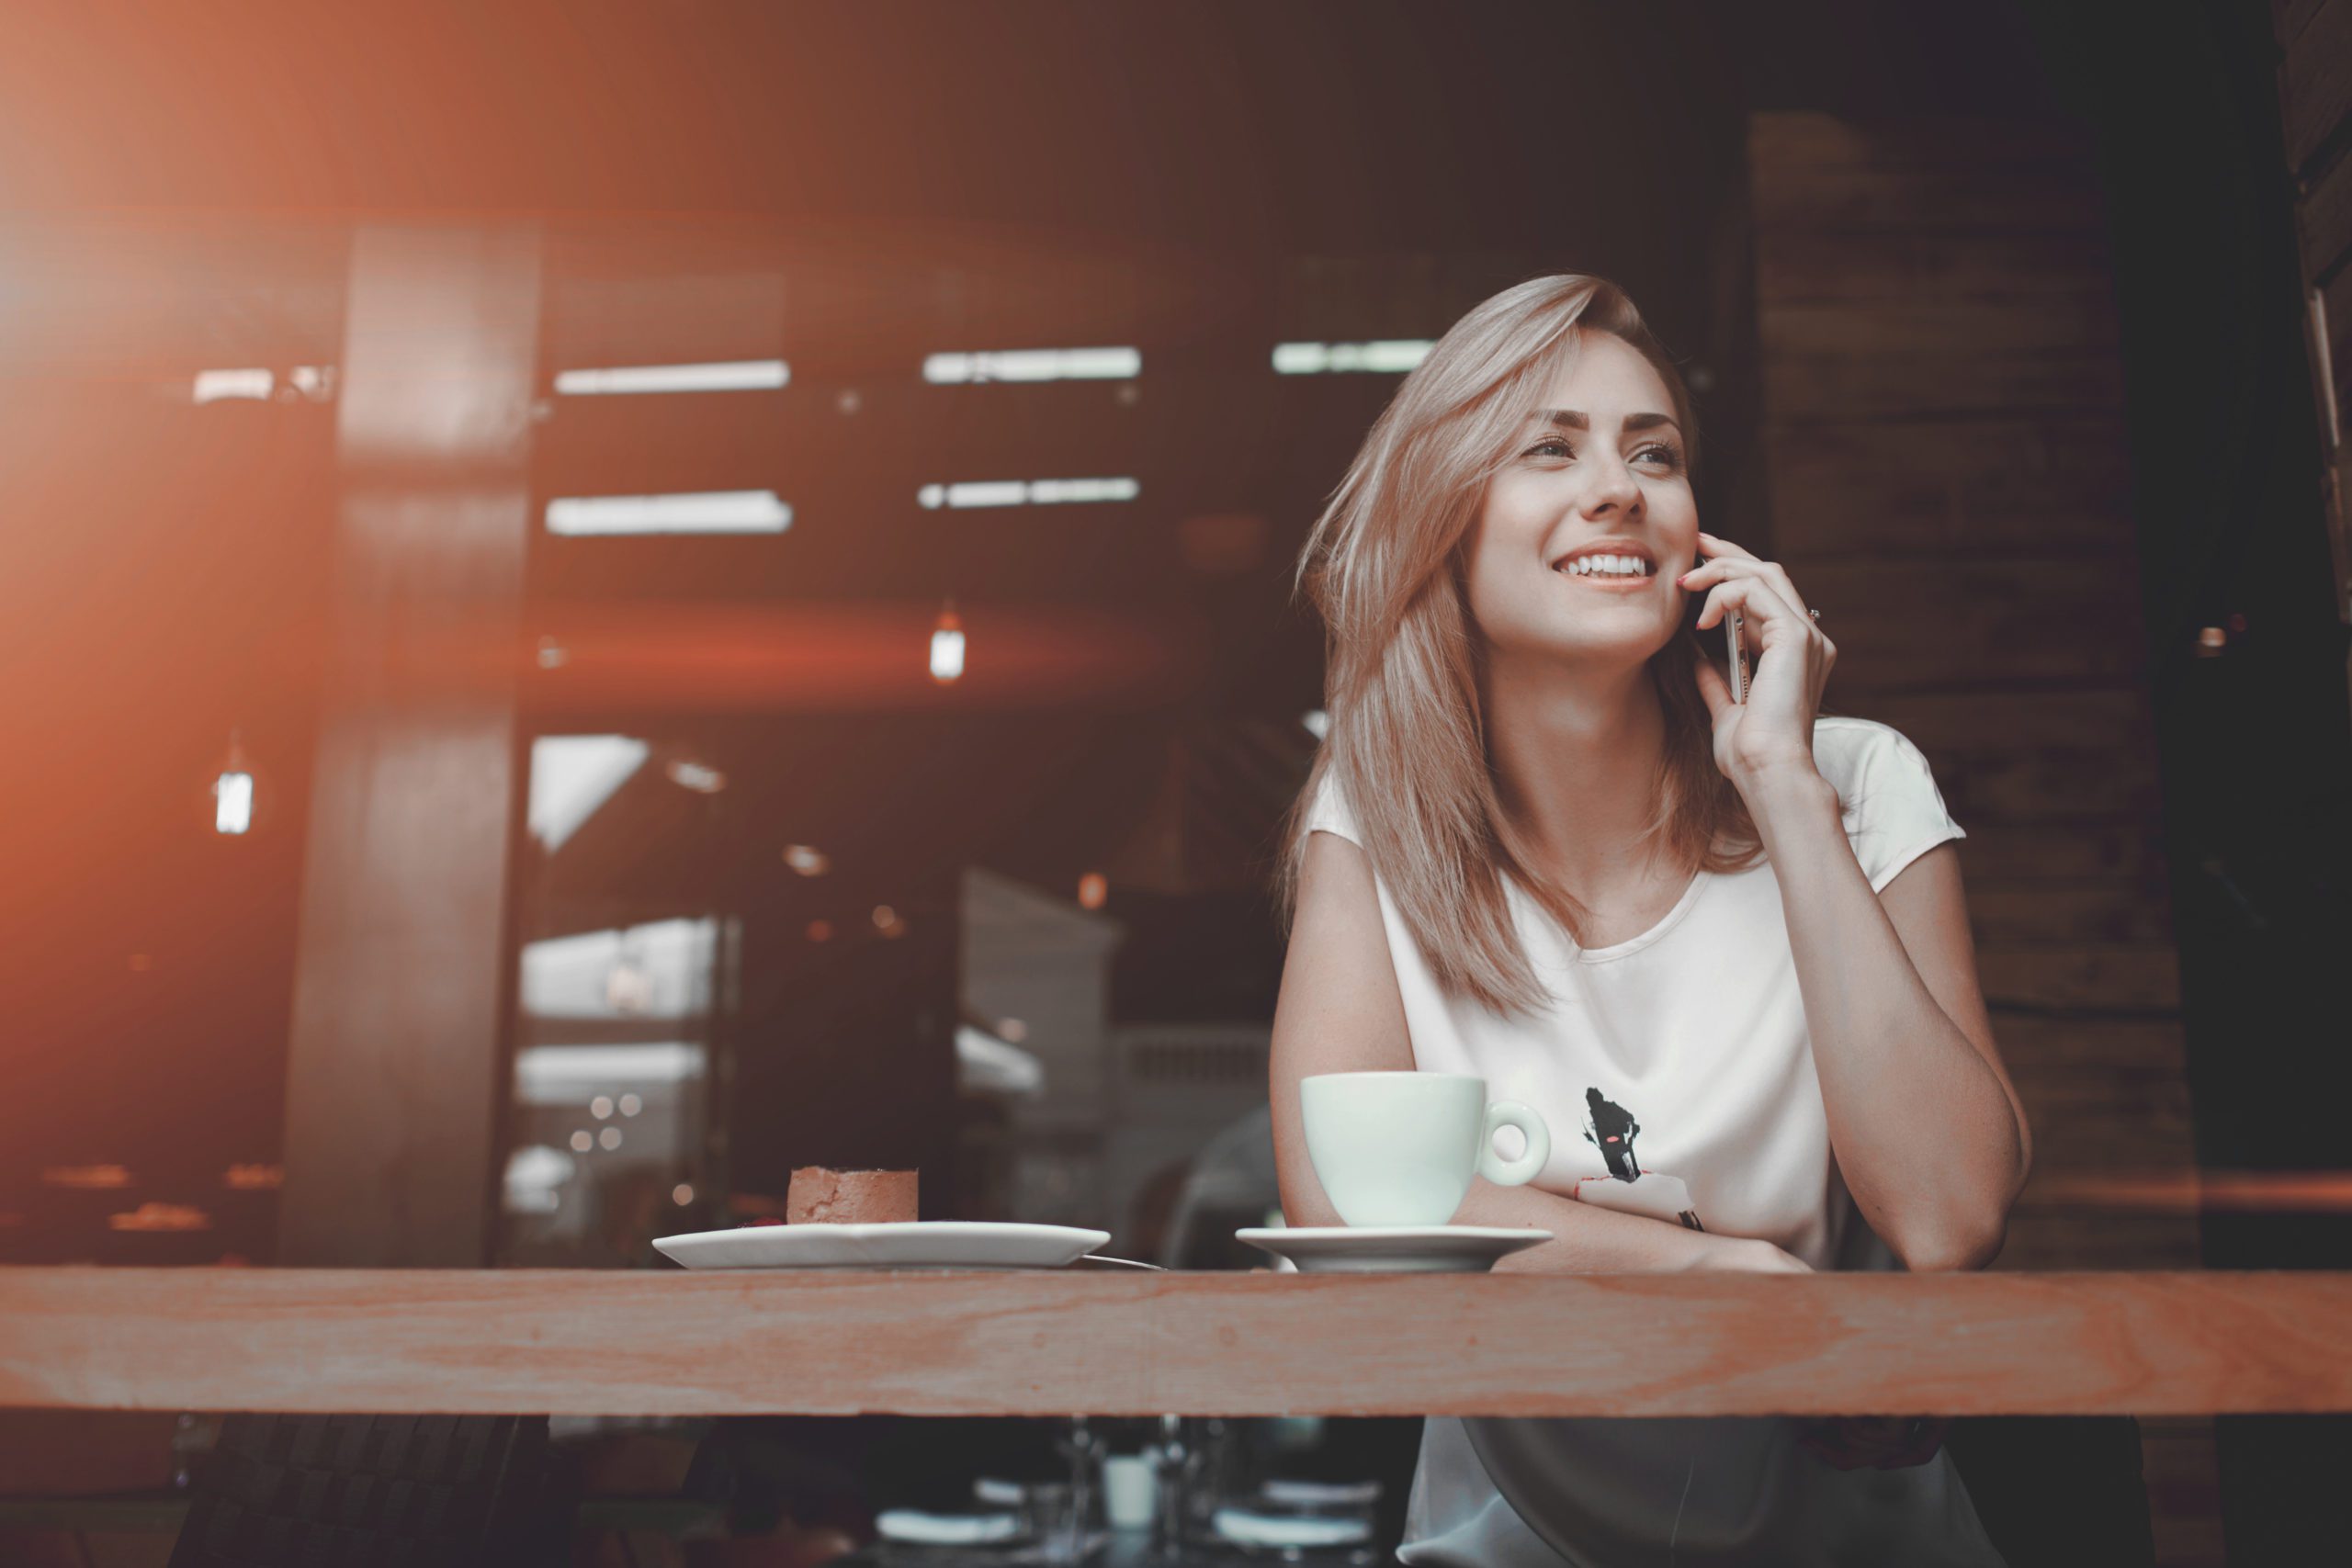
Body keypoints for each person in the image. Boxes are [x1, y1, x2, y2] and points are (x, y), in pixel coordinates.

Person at [1267, 274, 2034, 1565]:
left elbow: (1952, 1214)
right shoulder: (1378, 817)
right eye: (1547, 449)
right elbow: (1349, 1206)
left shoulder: (1856, 778)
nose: (1619, 488)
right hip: (1511, 1546)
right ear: (1446, 520)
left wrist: (1782, 787)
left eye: (1655, 454)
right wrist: (1716, 1278)